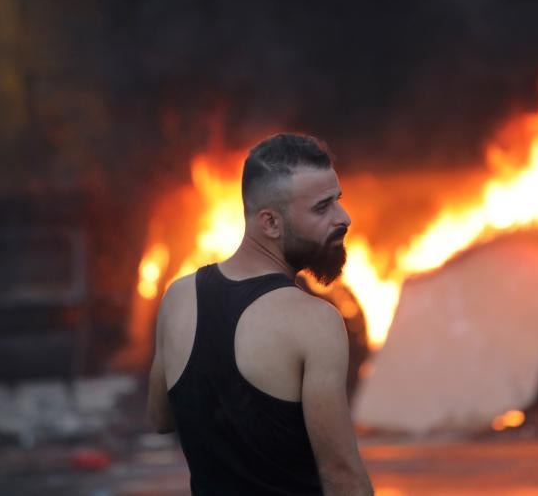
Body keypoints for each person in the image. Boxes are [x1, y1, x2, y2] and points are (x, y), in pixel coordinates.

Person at [147, 133, 374, 495]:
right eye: (322, 207)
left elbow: (161, 418)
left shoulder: (179, 297)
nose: (343, 218)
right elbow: (342, 475)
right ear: (269, 223)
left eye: (338, 201)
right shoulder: (316, 322)